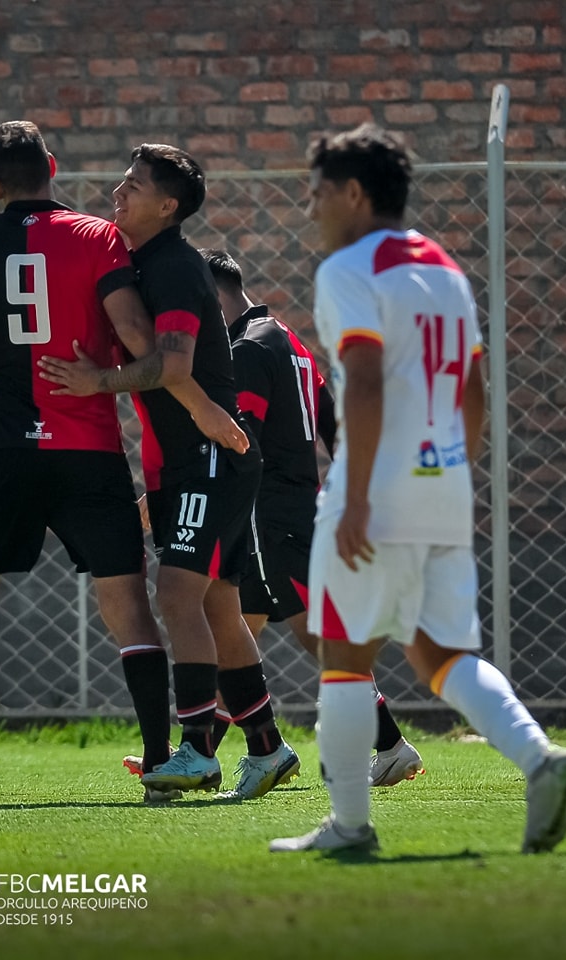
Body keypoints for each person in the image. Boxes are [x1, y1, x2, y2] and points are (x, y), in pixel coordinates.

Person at [270, 123, 566, 854]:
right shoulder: (445, 269)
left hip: (374, 490)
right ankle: (540, 757)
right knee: (442, 656)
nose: (310, 209)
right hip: (442, 486)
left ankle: (349, 826)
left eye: (316, 193)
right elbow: (473, 388)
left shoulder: (348, 269)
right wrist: (450, 472)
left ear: (353, 194)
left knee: (343, 659)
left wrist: (360, 498)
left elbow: (368, 383)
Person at [0, 120, 240, 806]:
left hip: (6, 450)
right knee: (127, 607)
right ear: (52, 166)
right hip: (88, 449)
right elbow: (135, 338)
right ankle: (160, 760)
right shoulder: (99, 237)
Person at [38, 143, 299, 800]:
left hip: (209, 461)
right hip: (191, 463)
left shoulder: (176, 267)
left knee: (178, 597)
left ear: (168, 206)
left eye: (134, 185)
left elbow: (174, 367)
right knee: (214, 603)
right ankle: (266, 748)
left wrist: (98, 381)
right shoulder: (140, 259)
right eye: (121, 181)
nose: (118, 193)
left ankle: (193, 751)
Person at [200, 248, 424, 788]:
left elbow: (240, 442)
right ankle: (200, 750)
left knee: (315, 637)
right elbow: (332, 423)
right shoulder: (290, 341)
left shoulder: (247, 349)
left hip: (271, 515)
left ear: (212, 296)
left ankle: (390, 744)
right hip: (295, 507)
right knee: (235, 632)